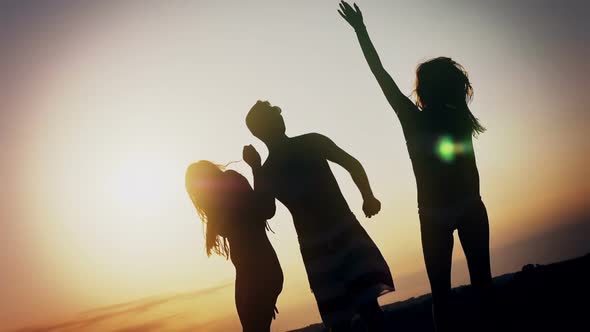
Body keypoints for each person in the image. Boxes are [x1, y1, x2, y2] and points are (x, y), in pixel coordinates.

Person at [338, 2, 493, 331]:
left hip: (437, 213)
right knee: (482, 286)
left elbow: (380, 75)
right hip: (468, 206)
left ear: (424, 89)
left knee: (442, 295)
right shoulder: (459, 118)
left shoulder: (415, 120)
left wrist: (361, 32)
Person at [243, 100, 394, 332]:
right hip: (329, 241)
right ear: (264, 129)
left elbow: (351, 164)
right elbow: (267, 211)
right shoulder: (301, 148)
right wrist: (256, 167)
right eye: (274, 116)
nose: (280, 117)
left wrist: (368, 196)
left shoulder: (280, 163)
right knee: (352, 315)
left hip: (331, 240)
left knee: (361, 312)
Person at [185, 160, 283, 332]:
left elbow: (265, 210)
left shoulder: (229, 182)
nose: (197, 195)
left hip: (259, 272)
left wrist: (256, 168)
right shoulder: (214, 204)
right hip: (252, 274)